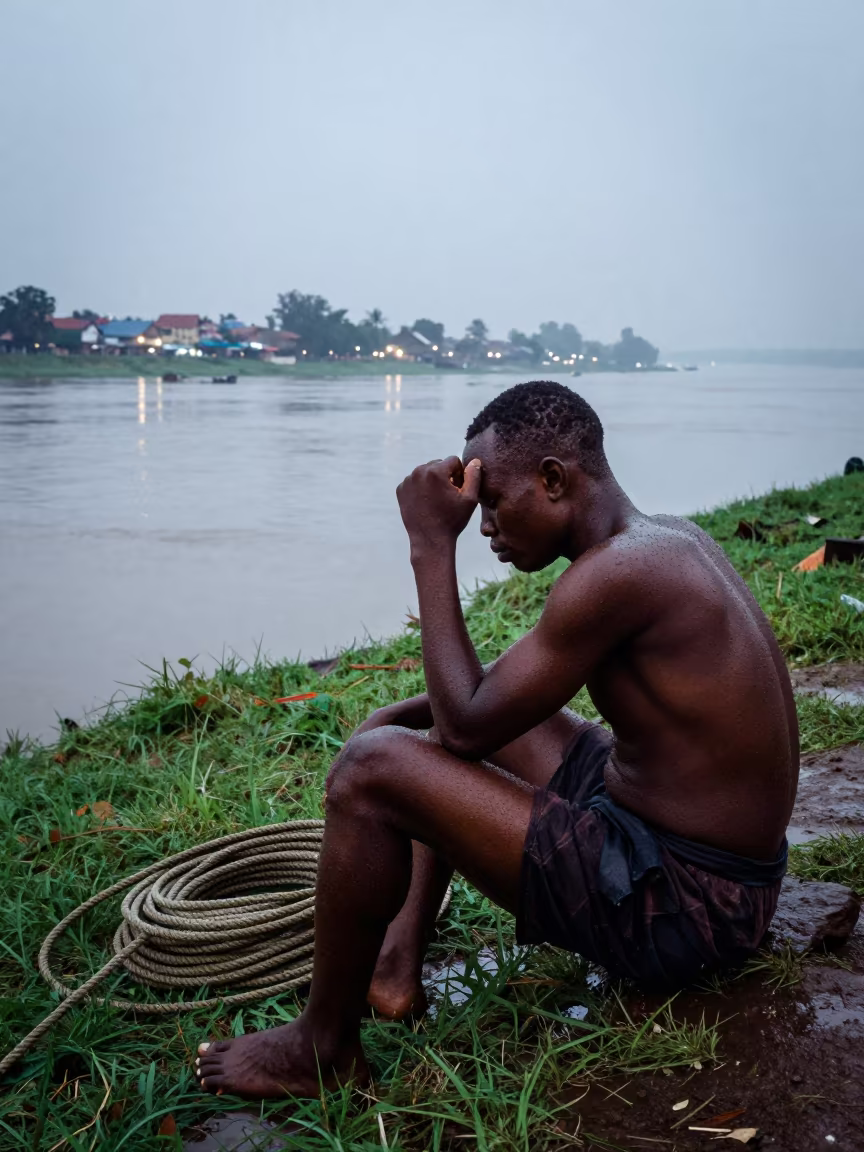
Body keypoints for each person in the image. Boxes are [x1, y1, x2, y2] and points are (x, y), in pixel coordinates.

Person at [195, 380, 798, 1099]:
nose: (483, 527)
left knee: (371, 770)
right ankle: (392, 969)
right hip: (691, 856)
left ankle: (321, 1049)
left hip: (690, 906)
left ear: (552, 480)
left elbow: (466, 721)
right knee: (412, 738)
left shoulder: (616, 576)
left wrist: (428, 545)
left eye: (491, 504)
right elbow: (484, 710)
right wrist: (405, 718)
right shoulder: (660, 542)